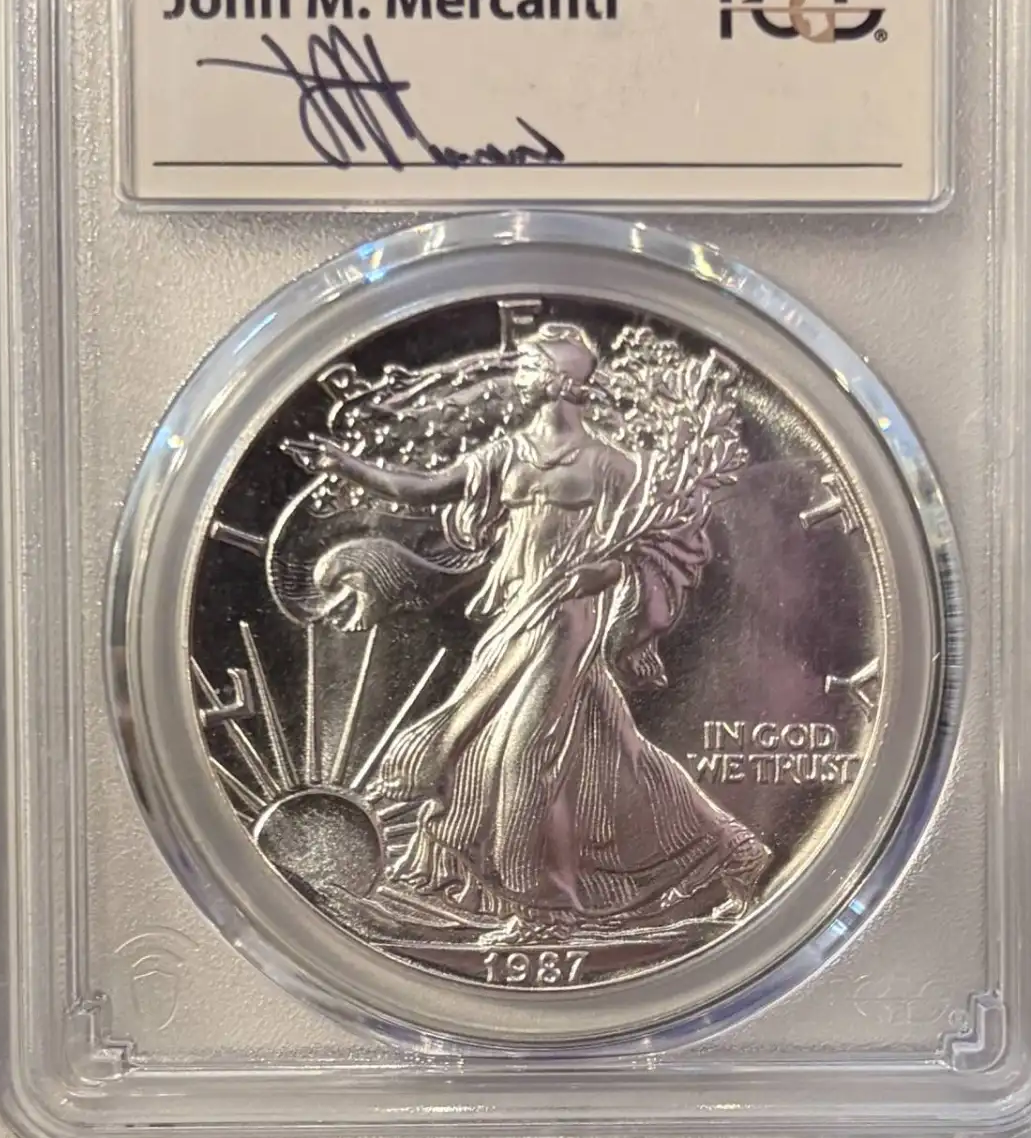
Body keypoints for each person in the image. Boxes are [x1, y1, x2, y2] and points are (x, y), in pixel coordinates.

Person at [305, 322, 769, 941]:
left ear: (556, 379)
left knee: (523, 753)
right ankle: (734, 852)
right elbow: (425, 489)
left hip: (567, 621)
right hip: (518, 615)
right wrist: (347, 466)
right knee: (611, 752)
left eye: (527, 366)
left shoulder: (610, 464)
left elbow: (672, 543)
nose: (516, 375)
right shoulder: (508, 453)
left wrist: (606, 571)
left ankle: (541, 909)